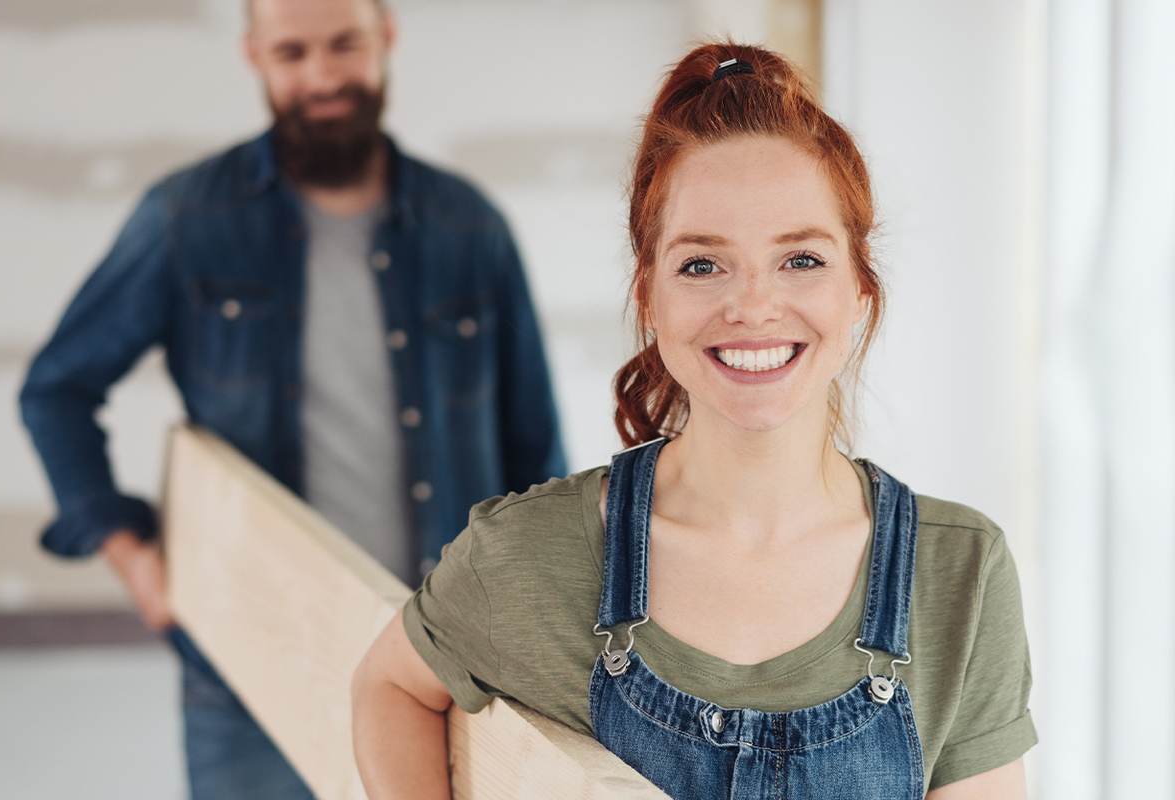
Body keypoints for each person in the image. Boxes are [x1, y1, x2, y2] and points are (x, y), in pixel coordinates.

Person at [351, 42, 1037, 800]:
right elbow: (391, 687)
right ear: (650, 299)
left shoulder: (960, 577)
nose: (752, 306)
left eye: (801, 259)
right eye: (702, 265)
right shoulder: (524, 557)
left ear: (860, 295)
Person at [19, 0, 565, 797]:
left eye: (345, 44)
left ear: (388, 38)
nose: (322, 76)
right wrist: (129, 554)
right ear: (254, 56)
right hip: (247, 650)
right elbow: (57, 388)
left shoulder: (469, 227)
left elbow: (534, 449)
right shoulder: (186, 219)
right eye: (292, 52)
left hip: (442, 660)